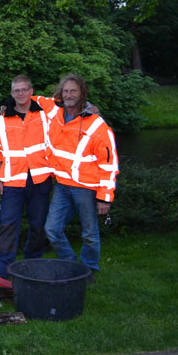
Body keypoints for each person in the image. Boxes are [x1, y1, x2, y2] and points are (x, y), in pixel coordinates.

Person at [44, 73, 119, 281]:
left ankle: (89, 270)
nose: (69, 94)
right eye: (66, 91)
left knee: (90, 234)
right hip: (62, 185)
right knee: (52, 229)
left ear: (82, 93)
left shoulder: (96, 124)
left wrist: (105, 197)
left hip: (86, 187)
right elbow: (30, 98)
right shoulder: (55, 114)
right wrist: (7, 106)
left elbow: (109, 163)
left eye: (73, 91)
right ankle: (73, 267)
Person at [0, 75, 54, 278]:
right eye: (16, 90)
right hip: (12, 180)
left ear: (31, 91)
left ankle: (33, 263)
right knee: (8, 223)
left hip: (40, 179)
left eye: (24, 89)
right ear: (11, 93)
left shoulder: (45, 115)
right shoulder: (0, 122)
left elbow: (69, 102)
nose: (21, 94)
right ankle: (2, 265)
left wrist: (90, 108)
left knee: (38, 224)